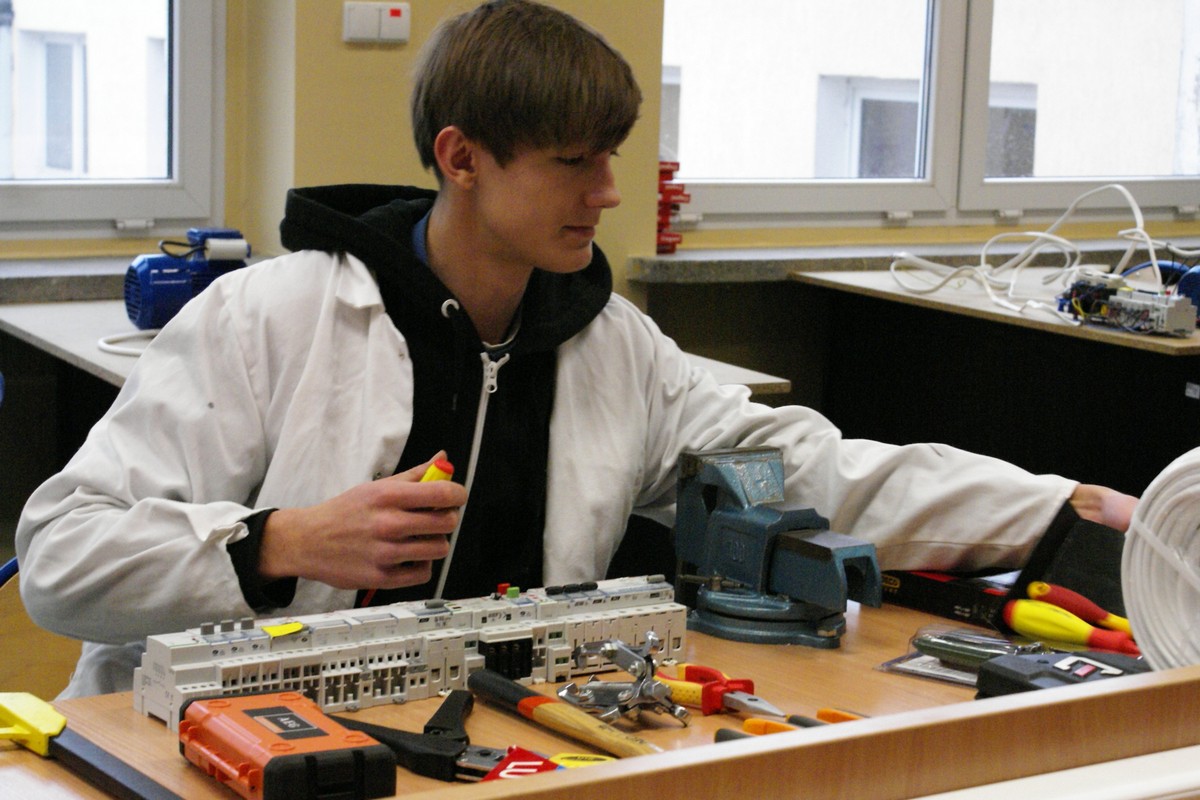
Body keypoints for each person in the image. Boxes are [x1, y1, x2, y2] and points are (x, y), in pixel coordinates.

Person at [16, 0, 1136, 698]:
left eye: (613, 157)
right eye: (573, 163)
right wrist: (279, 542)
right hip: (206, 740)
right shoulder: (270, 318)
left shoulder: (614, 349)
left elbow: (811, 470)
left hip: (492, 738)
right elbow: (61, 558)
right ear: (462, 158)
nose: (608, 192)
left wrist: (1057, 507)